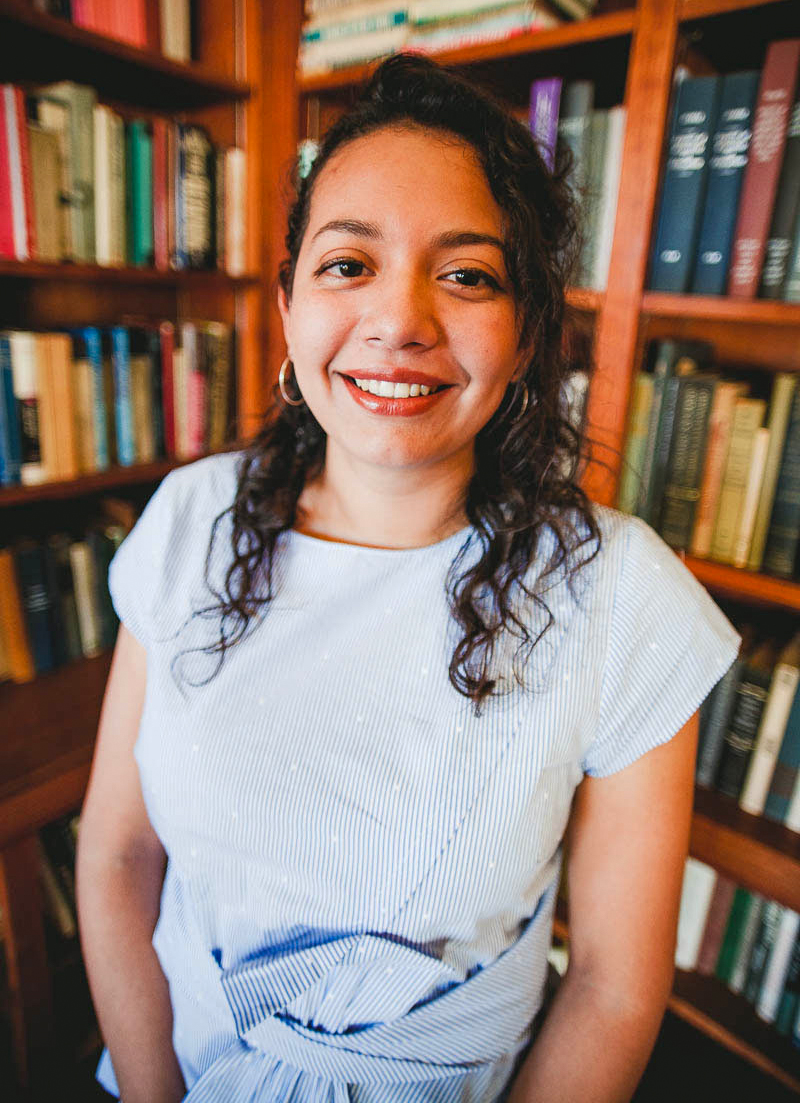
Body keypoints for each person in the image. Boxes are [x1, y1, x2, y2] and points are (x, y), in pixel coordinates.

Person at [76, 53, 741, 1103]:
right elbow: (117, 854)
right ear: (290, 298)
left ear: (524, 332)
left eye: (466, 273)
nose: (400, 320)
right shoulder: (191, 518)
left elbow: (613, 984)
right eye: (348, 264)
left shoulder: (621, 597)